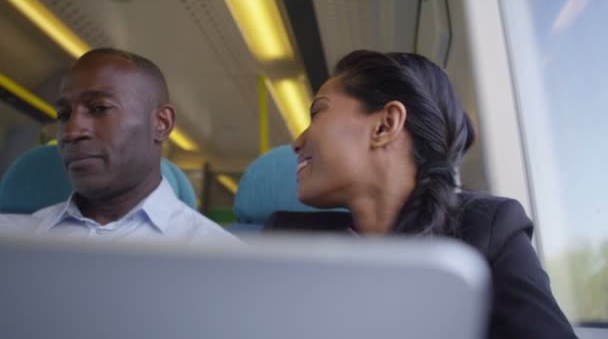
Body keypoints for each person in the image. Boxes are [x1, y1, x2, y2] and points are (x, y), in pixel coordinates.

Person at [283, 50, 576, 338]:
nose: (297, 142)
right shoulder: (285, 245)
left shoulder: (486, 231)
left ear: (384, 126)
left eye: (317, 112)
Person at [3, 48, 235, 242]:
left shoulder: (218, 256)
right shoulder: (10, 239)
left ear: (161, 123)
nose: (71, 132)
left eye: (99, 109)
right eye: (64, 115)